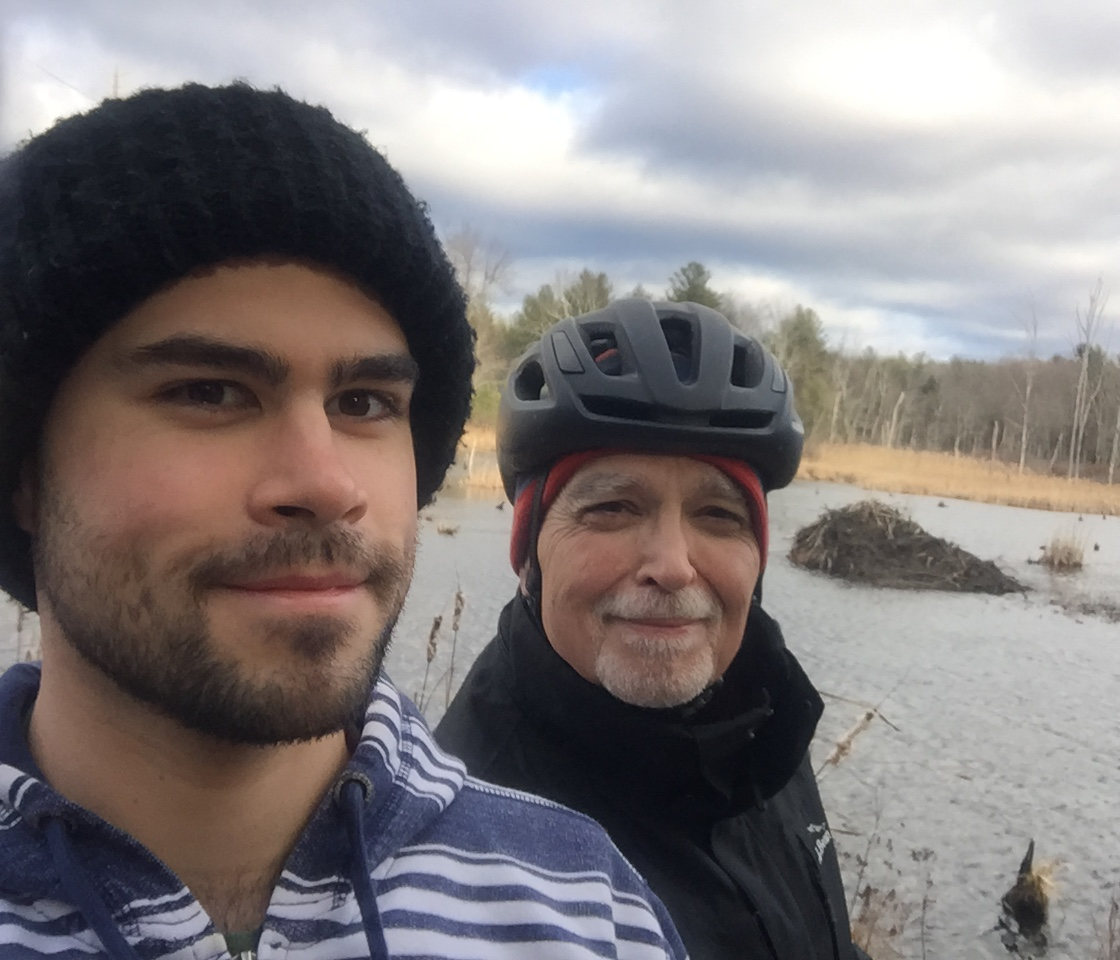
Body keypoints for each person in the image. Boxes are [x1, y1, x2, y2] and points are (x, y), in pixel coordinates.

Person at [0, 83, 686, 960]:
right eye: (209, 392)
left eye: (364, 400)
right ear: (24, 471)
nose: (325, 483)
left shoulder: (582, 910)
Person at [436, 299, 870, 959]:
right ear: (528, 552)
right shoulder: (463, 864)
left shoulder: (761, 720)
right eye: (612, 507)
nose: (672, 565)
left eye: (718, 515)